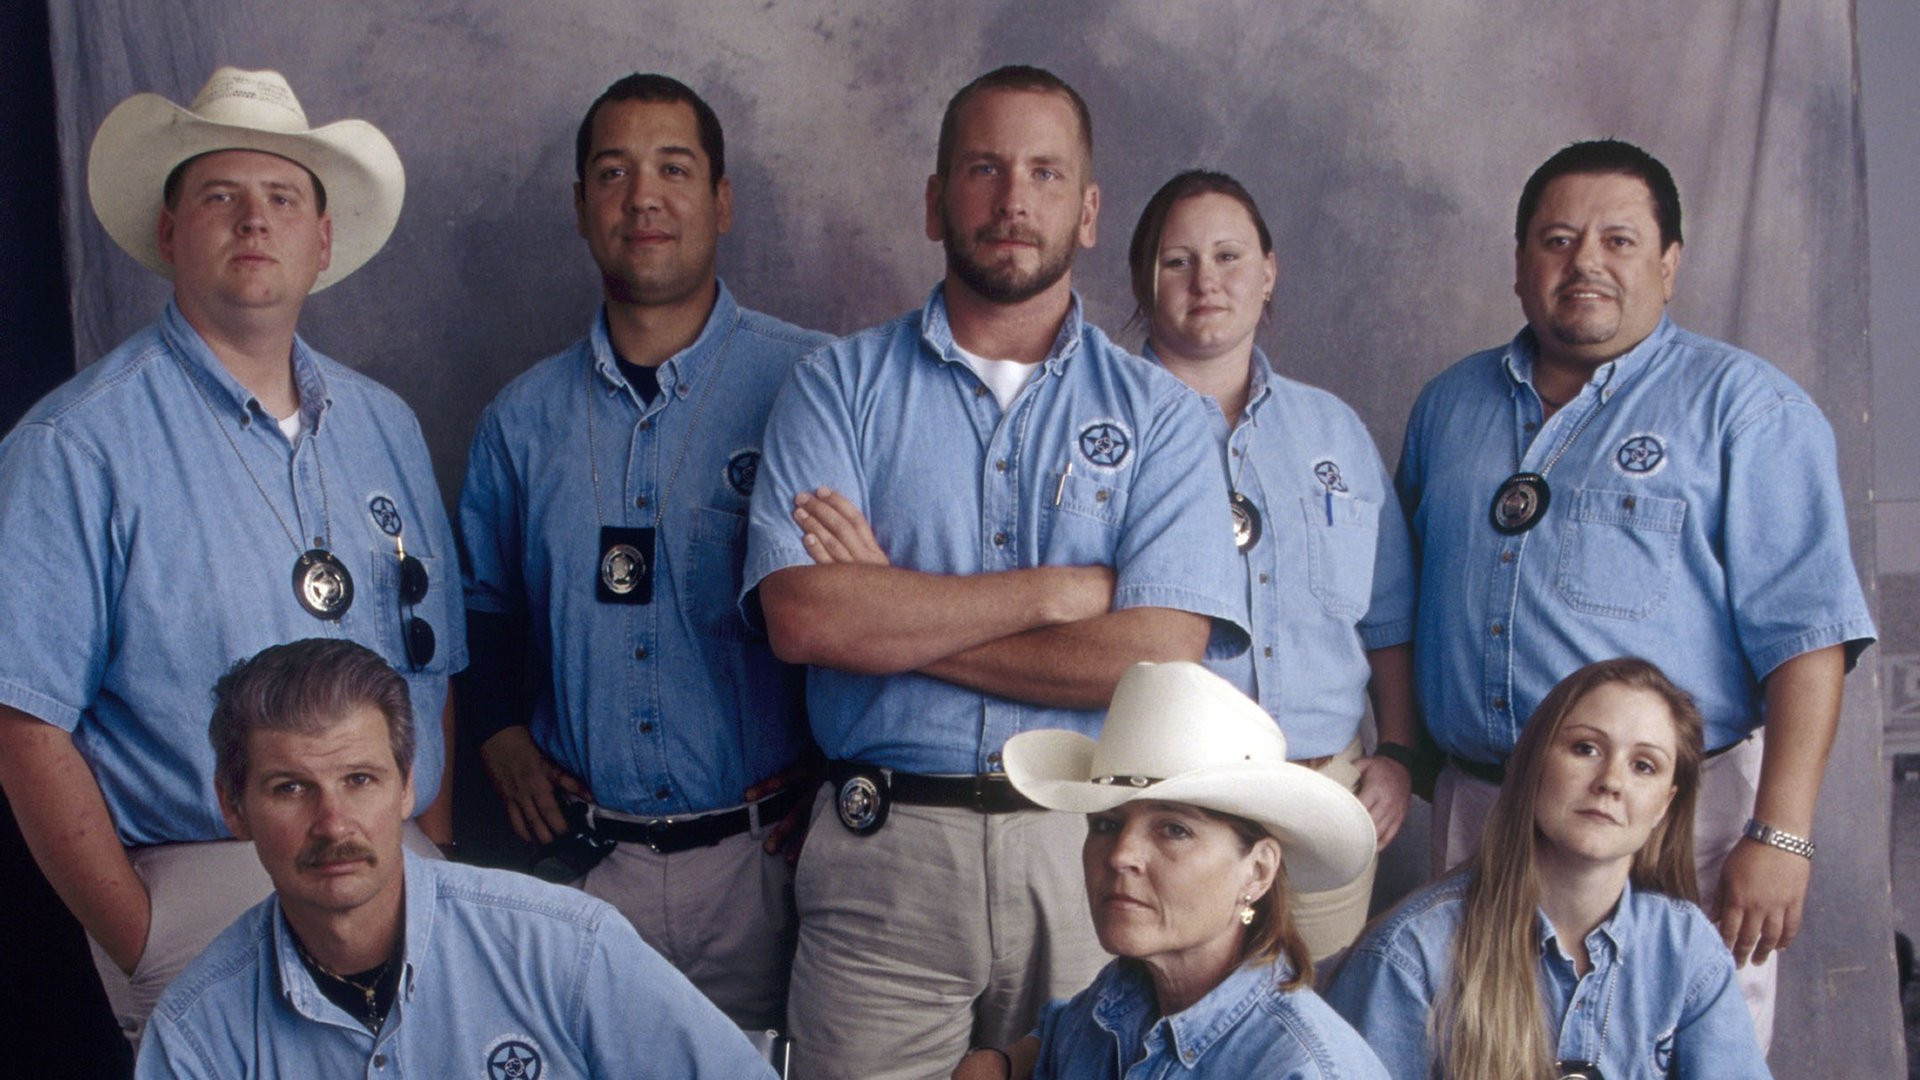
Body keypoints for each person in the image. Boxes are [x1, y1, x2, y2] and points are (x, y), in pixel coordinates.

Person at [743, 66, 1249, 1078]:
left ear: (1088, 211)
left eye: (1044, 173)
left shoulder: (1162, 417)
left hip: (1091, 854)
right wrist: (1055, 595)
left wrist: (894, 617)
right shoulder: (835, 386)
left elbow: (1159, 656)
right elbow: (803, 620)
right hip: (884, 853)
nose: (1014, 199)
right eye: (984, 169)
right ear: (936, 202)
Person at [0, 67, 463, 1045]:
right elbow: (22, 718)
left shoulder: (384, 425)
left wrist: (430, 842)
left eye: (283, 199)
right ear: (170, 233)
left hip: (398, 871)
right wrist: (140, 935)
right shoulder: (76, 444)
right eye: (221, 196)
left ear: (322, 240)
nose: (255, 220)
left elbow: (433, 669)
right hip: (206, 881)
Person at [1395, 138, 1875, 1046]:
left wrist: (1781, 835)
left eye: (1618, 240)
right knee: (1477, 1053)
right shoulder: (1449, 406)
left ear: (1669, 263)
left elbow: (1809, 640)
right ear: (1519, 263)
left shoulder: (1747, 410)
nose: (1586, 262)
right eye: (1558, 240)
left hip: (1675, 825)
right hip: (1483, 812)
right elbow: (1406, 605)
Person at [457, 72, 826, 1031]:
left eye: (674, 168)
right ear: (582, 205)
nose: (643, 198)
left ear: (722, 200)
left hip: (766, 869)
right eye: (614, 173)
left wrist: (842, 770)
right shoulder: (520, 421)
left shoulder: (815, 384)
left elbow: (872, 600)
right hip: (585, 871)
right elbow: (481, 608)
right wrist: (497, 733)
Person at [135, 638, 772, 1077]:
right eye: (291, 789)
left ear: (407, 786)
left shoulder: (568, 948)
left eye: (360, 779)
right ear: (234, 807)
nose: (333, 824)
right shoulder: (197, 1037)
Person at [1125, 170, 1418, 960]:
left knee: (1310, 1015)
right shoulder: (1102, 425)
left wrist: (1396, 753)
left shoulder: (1333, 430)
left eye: (1228, 256)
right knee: (1159, 1015)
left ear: (1268, 272)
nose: (1207, 281)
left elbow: (1388, 616)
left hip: (1325, 796)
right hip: (1166, 803)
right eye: (1178, 261)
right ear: (1143, 280)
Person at [1325, 658, 1770, 1078]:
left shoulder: (1686, 948)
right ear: (1534, 763)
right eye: (1585, 748)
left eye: (1643, 766)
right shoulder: (1412, 955)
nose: (1611, 782)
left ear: (1664, 806)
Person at [950, 661, 1384, 1079]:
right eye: (1106, 824)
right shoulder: (1120, 995)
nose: (1120, 855)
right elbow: (1059, 1033)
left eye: (1174, 830)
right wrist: (1001, 1062)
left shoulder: (1302, 1069)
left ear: (1257, 872)